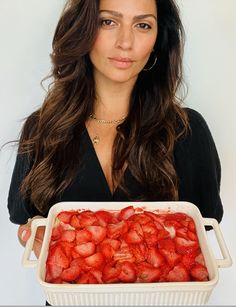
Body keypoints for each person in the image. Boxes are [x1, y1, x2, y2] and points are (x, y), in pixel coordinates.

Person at [8, 0, 223, 259]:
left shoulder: (187, 130)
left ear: (157, 39)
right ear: (83, 29)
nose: (125, 42)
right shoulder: (42, 129)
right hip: (71, 300)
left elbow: (201, 228)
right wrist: (33, 235)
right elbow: (27, 224)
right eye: (108, 22)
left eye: (143, 25)